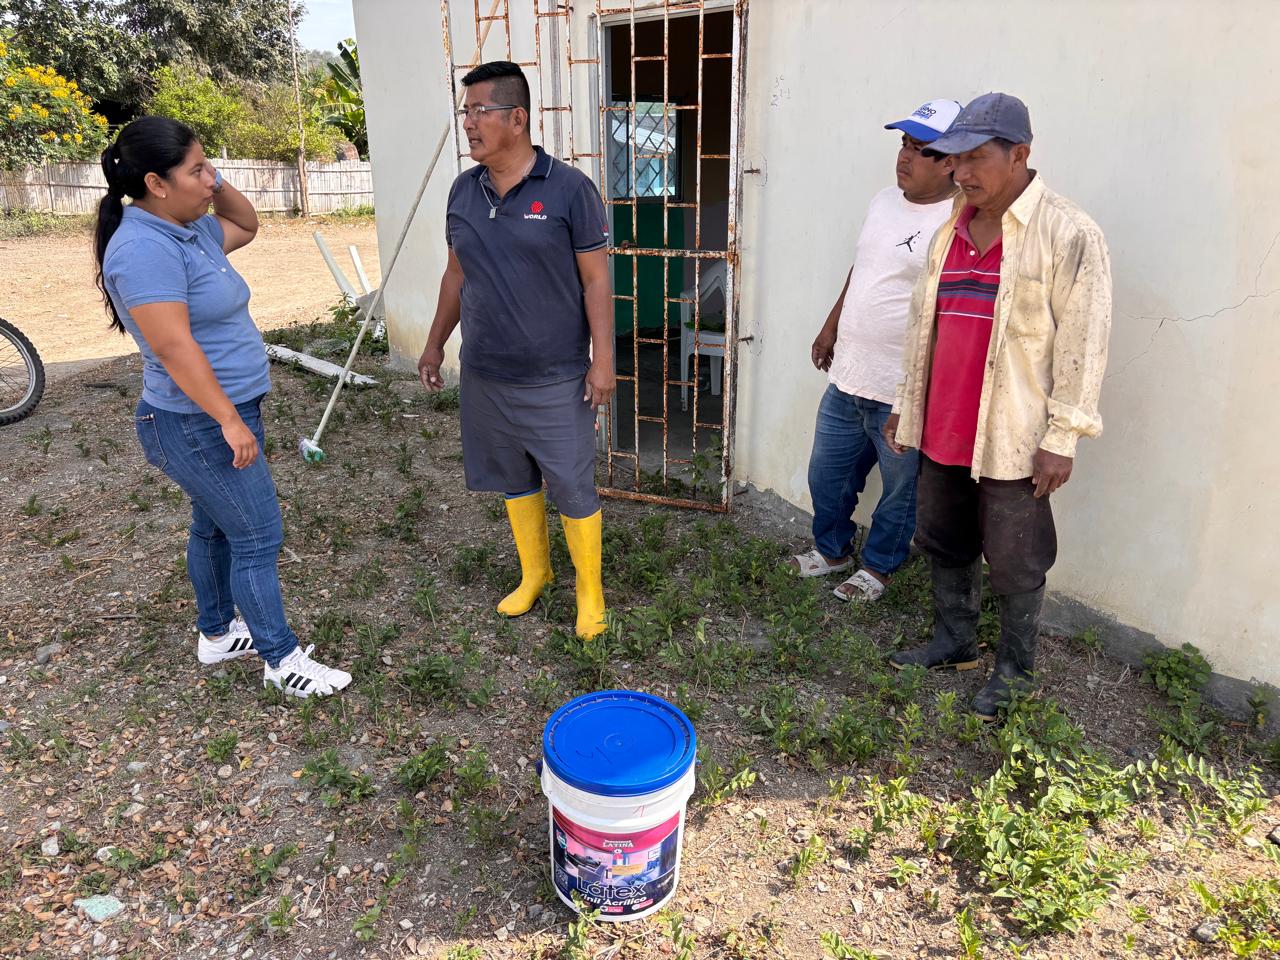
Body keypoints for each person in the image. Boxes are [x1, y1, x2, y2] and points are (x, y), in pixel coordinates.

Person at [95, 116, 351, 698]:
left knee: (214, 527)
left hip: (219, 413)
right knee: (257, 534)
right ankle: (281, 659)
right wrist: (228, 420)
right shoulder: (143, 249)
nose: (211, 179)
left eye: (210, 165)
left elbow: (246, 223)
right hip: (197, 421)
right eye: (196, 170)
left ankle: (216, 633)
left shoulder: (189, 231)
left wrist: (211, 179)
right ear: (156, 184)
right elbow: (174, 347)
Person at [883, 93, 1112, 719]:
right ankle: (954, 641)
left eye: (976, 157)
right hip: (943, 425)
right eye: (956, 159)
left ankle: (1014, 672)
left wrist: (1063, 436)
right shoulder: (949, 230)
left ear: (1020, 154)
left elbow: (1085, 345)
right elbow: (922, 329)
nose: (961, 172)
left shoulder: (1067, 233)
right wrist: (907, 404)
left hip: (1013, 434)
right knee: (945, 539)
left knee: (1016, 557)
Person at [417, 61, 615, 639]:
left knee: (572, 485)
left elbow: (596, 281)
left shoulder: (569, 189)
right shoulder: (463, 190)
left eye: (479, 111)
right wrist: (434, 344)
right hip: (486, 373)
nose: (468, 123)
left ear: (517, 118)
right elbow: (456, 274)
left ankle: (590, 593)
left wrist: (603, 360)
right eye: (466, 112)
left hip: (555, 375)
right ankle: (536, 574)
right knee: (513, 477)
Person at [793, 99, 961, 603]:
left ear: (951, 161)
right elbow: (863, 268)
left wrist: (923, 389)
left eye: (921, 149)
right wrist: (831, 326)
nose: (905, 157)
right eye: (904, 144)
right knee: (827, 475)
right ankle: (832, 551)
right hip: (849, 374)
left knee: (900, 490)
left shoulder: (959, 221)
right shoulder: (884, 201)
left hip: (900, 389)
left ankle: (880, 566)